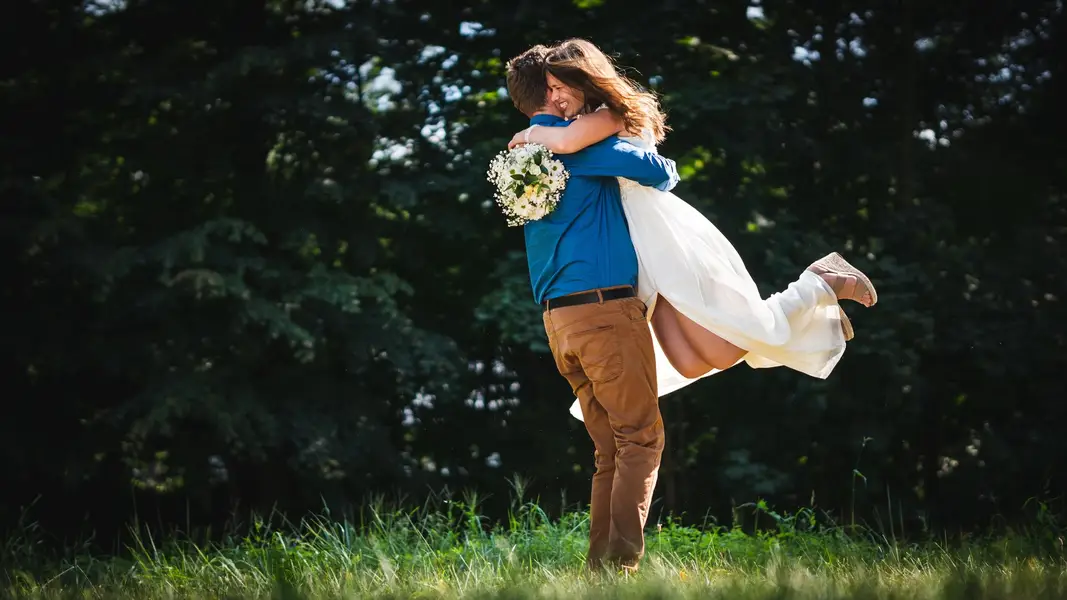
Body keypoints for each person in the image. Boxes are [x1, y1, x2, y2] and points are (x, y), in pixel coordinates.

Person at [508, 39, 878, 422]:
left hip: (658, 236)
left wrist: (529, 136)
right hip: (635, 251)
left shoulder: (605, 115)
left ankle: (819, 282)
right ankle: (812, 297)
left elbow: (575, 146)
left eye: (557, 86)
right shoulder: (581, 124)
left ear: (582, 79)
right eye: (548, 88)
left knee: (741, 334)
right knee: (692, 362)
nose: (553, 95)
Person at [505, 44, 680, 573]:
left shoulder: (517, 155)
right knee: (642, 440)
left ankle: (598, 571)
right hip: (605, 312)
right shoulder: (579, 146)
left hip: (559, 321)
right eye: (557, 87)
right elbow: (661, 173)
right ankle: (620, 567)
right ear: (556, 92)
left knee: (611, 451)